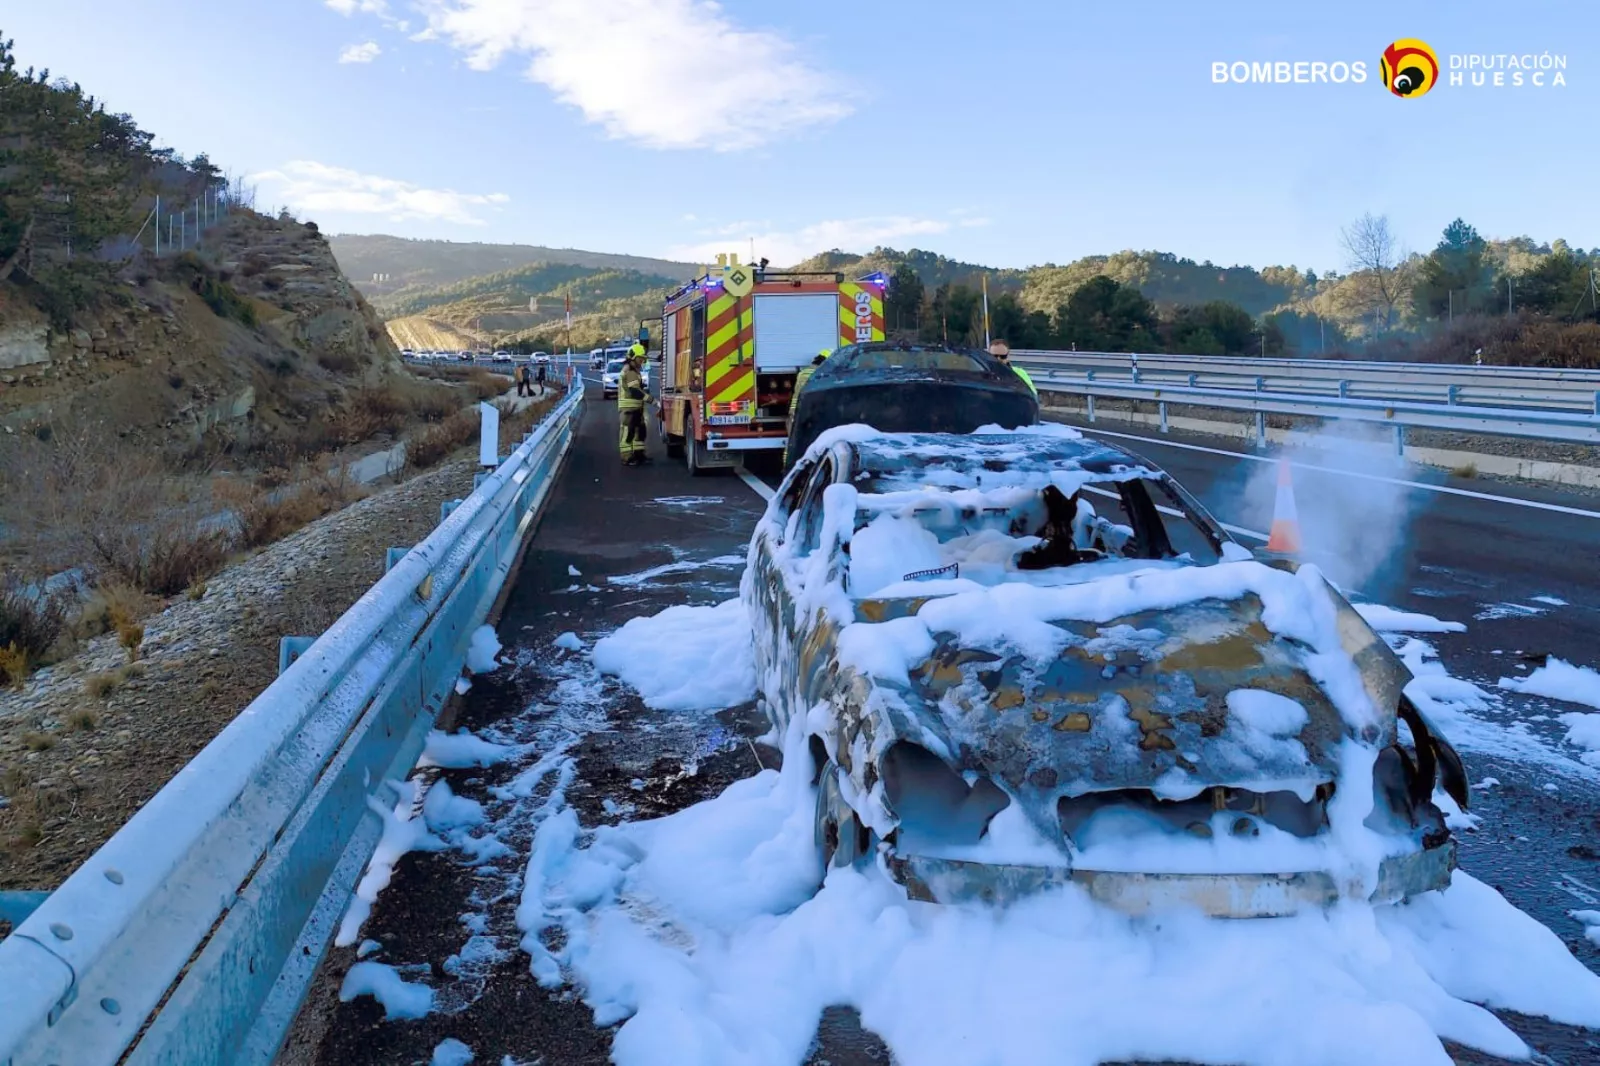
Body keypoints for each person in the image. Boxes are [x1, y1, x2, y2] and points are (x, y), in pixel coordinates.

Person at [782, 349, 830, 468]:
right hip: (811, 411)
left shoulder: (803, 372)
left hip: (795, 411)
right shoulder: (821, 374)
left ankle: (787, 467)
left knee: (792, 442)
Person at [618, 343, 654, 465]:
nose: (642, 361)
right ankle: (627, 457)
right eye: (640, 358)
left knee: (640, 432)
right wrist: (651, 400)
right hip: (629, 409)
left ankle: (639, 455)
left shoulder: (634, 370)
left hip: (636, 408)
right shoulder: (630, 371)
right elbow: (635, 391)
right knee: (628, 433)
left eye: (643, 359)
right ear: (633, 358)